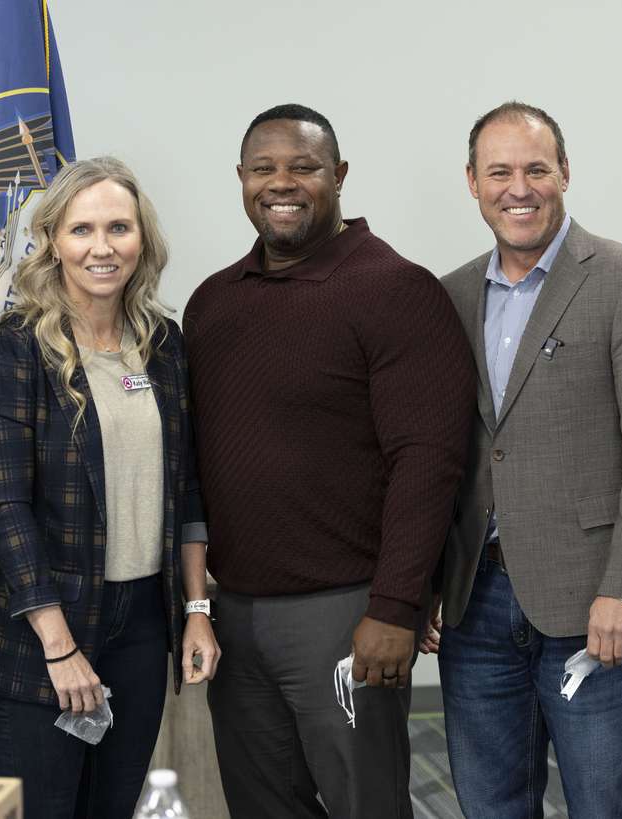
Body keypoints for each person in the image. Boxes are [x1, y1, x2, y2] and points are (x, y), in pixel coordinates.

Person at [184, 103, 475, 818]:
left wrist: (395, 605)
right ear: (241, 180)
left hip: (347, 615)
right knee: (263, 807)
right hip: (237, 617)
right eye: (263, 168)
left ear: (339, 175)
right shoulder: (212, 304)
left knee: (364, 804)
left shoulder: (396, 289)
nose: (282, 183)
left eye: (304, 167)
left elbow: (428, 462)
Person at [431, 101, 622, 818]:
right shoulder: (450, 296)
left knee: (601, 804)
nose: (520, 188)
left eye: (537, 169)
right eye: (500, 172)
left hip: (592, 603)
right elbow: (445, 453)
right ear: (473, 182)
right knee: (491, 805)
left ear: (565, 173)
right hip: (475, 602)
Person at [0, 156, 218, 819]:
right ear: (53, 240)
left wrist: (196, 609)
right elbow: (5, 504)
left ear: (143, 239)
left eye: (119, 227)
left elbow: (187, 489)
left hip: (142, 622)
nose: (102, 247)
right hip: (43, 629)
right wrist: (60, 646)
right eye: (82, 230)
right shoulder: (17, 347)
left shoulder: (164, 344)